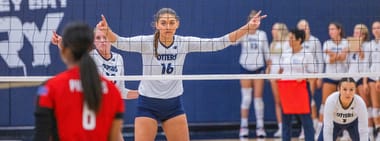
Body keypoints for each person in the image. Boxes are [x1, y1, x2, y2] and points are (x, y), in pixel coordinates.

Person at [96, 8, 266, 140]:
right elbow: (120, 42)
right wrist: (107, 31)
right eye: (163, 23)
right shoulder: (146, 42)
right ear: (156, 25)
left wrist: (247, 28)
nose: (167, 27)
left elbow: (217, 44)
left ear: (177, 24)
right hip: (148, 104)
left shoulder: (184, 43)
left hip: (173, 105)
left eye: (171, 23)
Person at [33, 22, 124, 141]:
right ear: (91, 48)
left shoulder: (48, 88)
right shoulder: (113, 92)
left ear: (64, 51)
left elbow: (41, 135)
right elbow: (115, 138)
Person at [52, 28, 139, 100]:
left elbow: (120, 91)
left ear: (111, 39)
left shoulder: (118, 58)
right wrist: (61, 44)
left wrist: (141, 94)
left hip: (110, 107)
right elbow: (73, 55)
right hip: (93, 105)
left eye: (105, 37)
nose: (102, 41)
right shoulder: (90, 55)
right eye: (98, 38)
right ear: (94, 41)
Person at [278, 29, 316, 141]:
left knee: (306, 119)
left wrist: (303, 77)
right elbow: (281, 70)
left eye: (292, 38)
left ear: (299, 40)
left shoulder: (307, 55)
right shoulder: (285, 53)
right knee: (286, 120)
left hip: (301, 88)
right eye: (288, 38)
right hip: (286, 88)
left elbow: (314, 74)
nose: (289, 40)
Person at [237, 10, 269, 138]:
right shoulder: (243, 33)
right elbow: (233, 41)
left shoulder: (262, 35)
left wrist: (269, 67)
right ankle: (243, 127)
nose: (255, 22)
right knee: (246, 99)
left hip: (258, 69)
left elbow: (266, 53)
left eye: (257, 20)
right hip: (245, 68)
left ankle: (260, 127)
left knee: (258, 100)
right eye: (252, 19)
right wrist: (245, 29)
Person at [318, 22, 349, 139]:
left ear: (339, 30)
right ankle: (320, 132)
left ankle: (346, 132)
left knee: (345, 106)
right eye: (329, 29)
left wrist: (332, 54)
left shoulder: (346, 42)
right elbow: (329, 61)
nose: (330, 32)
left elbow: (344, 59)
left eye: (332, 29)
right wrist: (339, 55)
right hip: (330, 77)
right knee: (324, 105)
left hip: (343, 78)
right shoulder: (326, 43)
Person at [297, 19, 324, 139]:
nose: (304, 29)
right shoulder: (297, 41)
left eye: (305, 26)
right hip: (299, 76)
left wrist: (319, 76)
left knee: (309, 100)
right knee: (303, 102)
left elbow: (320, 60)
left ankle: (312, 127)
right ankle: (307, 128)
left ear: (309, 28)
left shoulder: (315, 41)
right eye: (301, 27)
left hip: (311, 75)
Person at [347, 23, 374, 140]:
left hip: (361, 77)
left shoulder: (368, 45)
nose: (355, 34)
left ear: (363, 34)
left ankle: (371, 132)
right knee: (354, 108)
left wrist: (359, 48)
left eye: (357, 32)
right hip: (352, 78)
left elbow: (364, 59)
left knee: (366, 106)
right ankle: (355, 132)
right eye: (354, 32)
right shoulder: (350, 46)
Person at [267, 22, 290, 138]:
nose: (272, 31)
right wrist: (268, 69)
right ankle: (280, 127)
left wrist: (280, 72)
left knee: (286, 102)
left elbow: (286, 60)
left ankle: (287, 127)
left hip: (283, 75)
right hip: (273, 76)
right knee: (277, 102)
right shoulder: (273, 44)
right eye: (272, 29)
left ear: (280, 31)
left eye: (274, 29)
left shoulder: (286, 43)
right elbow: (270, 60)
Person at [368, 20, 380, 140]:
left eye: (378, 28)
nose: (376, 30)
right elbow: (367, 63)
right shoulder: (370, 44)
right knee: (375, 107)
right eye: (374, 28)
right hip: (372, 77)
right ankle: (378, 131)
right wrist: (365, 81)